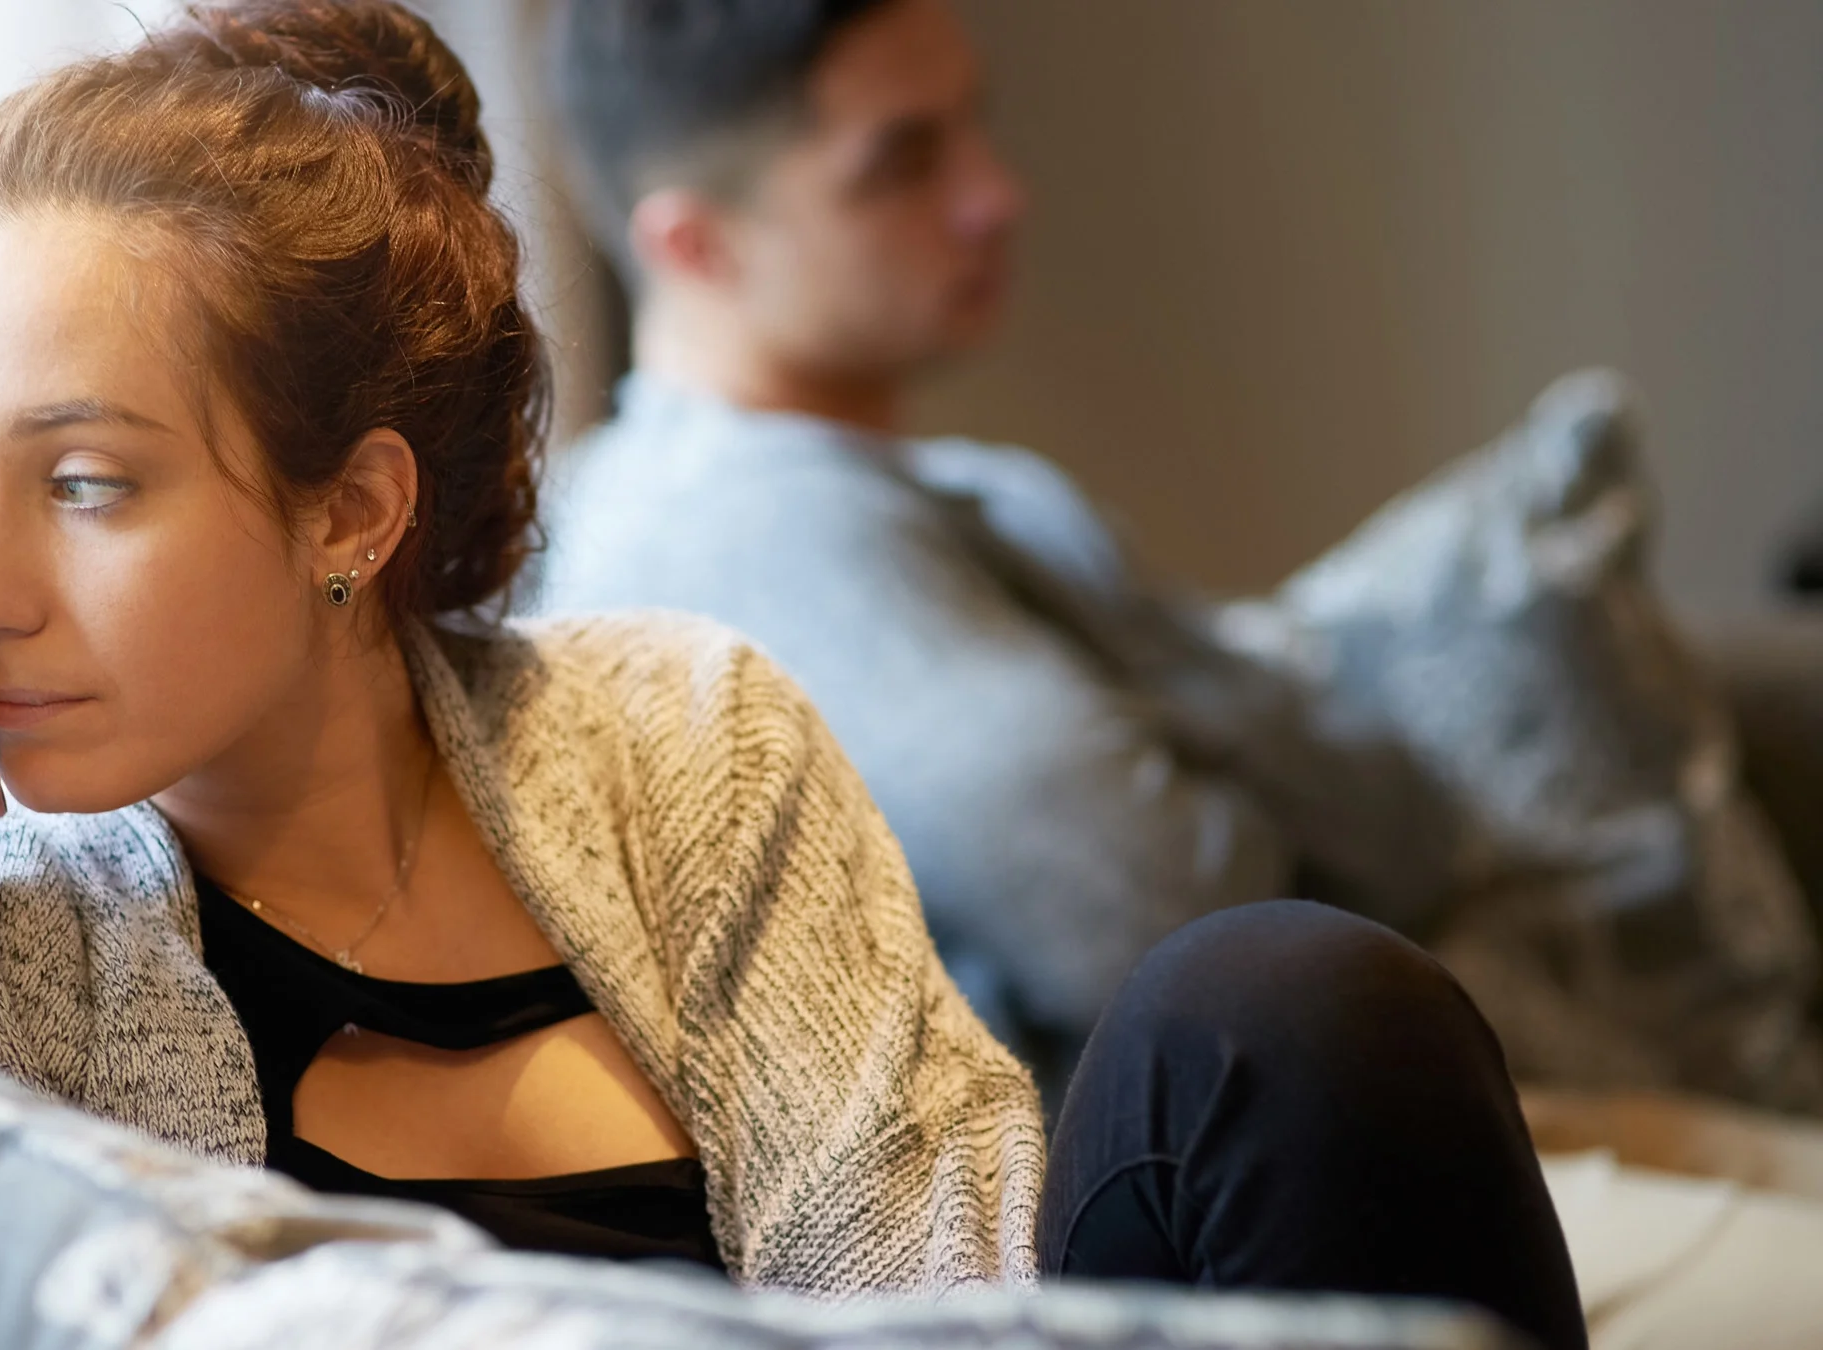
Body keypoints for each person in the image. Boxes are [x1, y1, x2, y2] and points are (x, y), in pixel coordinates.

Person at [0, 5, 1582, 1349]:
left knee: (1285, 1011)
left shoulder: (676, 732)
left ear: (348, 511)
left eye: (81, 482)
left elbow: (942, 1285)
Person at [537, 0, 1461, 1072]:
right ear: (697, 246)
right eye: (903, 162)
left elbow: (1407, 830)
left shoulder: (984, 494)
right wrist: (1223, 720)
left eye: (973, 125)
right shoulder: (732, 530)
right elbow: (1181, 928)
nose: (996, 197)